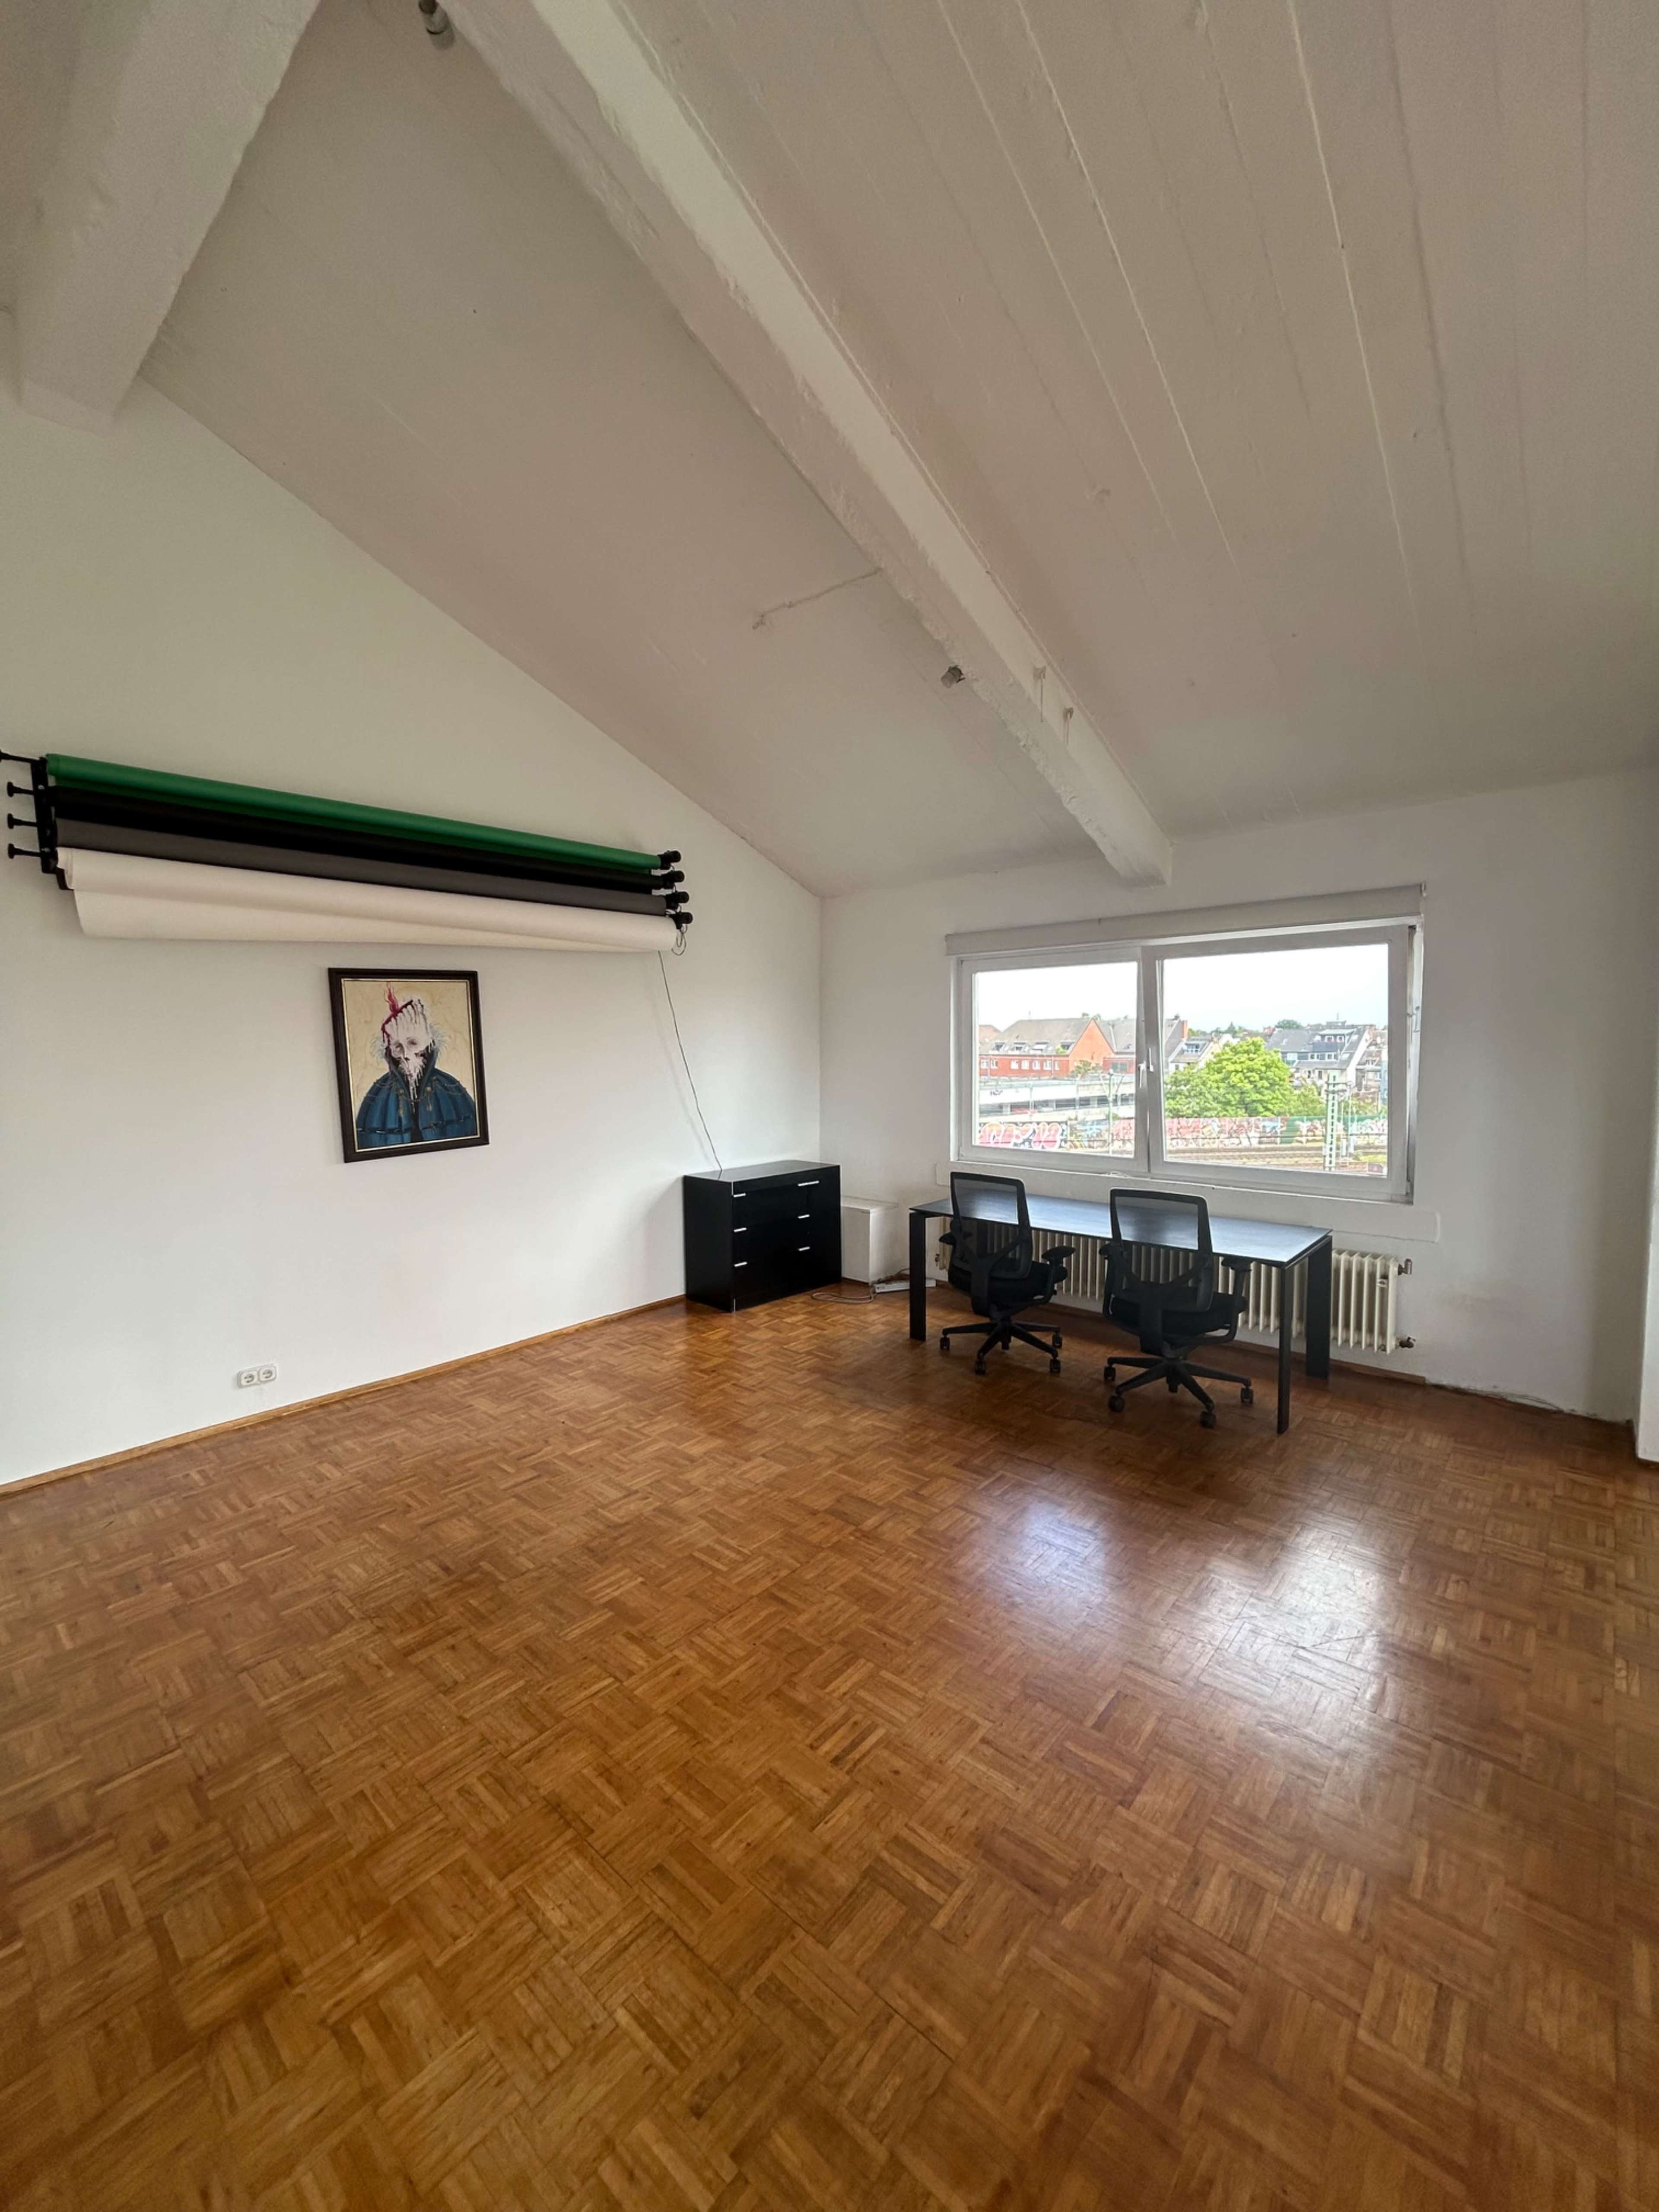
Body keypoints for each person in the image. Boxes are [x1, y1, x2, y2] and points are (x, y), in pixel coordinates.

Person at [355, 988, 477, 1148]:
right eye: (398, 1047)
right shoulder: (377, 1095)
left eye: (413, 1043)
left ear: (428, 1044)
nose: (406, 1054)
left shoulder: (451, 1089)